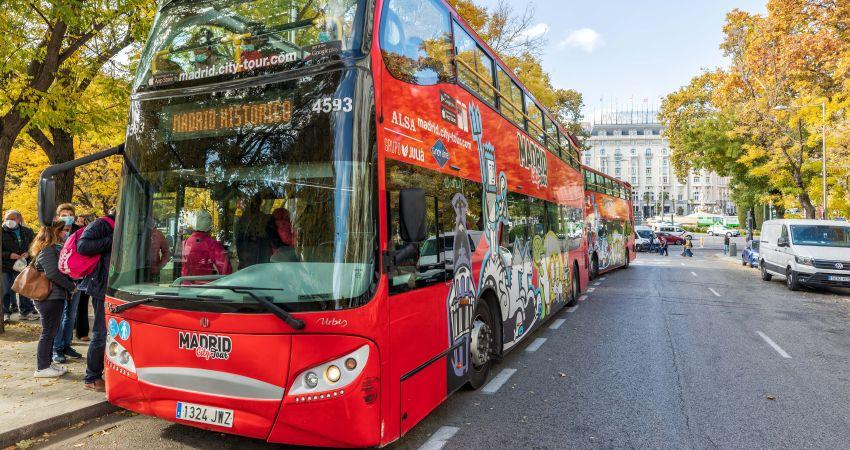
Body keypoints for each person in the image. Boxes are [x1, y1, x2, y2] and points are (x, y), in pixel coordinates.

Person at [30, 220, 77, 378]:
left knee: (51, 331)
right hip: (50, 297)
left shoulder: (49, 248)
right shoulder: (49, 249)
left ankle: (47, 363)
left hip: (53, 297)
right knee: (48, 332)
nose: (65, 233)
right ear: (55, 232)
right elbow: (52, 274)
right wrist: (71, 286)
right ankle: (42, 367)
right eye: (63, 230)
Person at [77, 210, 116, 392]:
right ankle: (92, 377)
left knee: (109, 334)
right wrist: (112, 239)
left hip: (116, 287)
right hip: (101, 287)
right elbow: (82, 246)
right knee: (100, 333)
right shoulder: (103, 224)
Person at [52, 204, 84, 363]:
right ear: (58, 217)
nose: (67, 217)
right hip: (59, 281)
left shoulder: (79, 231)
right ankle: (56, 349)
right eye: (64, 214)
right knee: (59, 315)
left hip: (76, 279)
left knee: (70, 315)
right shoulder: (53, 232)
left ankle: (66, 345)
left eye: (70, 214)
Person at [3, 210, 37, 322]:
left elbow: (34, 246)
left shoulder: (27, 231)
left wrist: (28, 253)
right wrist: (8, 255)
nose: (9, 221)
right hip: (5, 266)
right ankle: (5, 313)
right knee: (6, 290)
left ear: (19, 219)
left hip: (22, 265)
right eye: (7, 219)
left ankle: (25, 311)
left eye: (12, 219)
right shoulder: (2, 231)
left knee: (24, 288)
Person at [182, 210, 232, 278]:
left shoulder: (185, 243)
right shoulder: (213, 245)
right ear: (209, 227)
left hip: (185, 285)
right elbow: (226, 271)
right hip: (206, 286)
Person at [74, 215, 92, 341]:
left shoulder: (89, 232)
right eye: (78, 219)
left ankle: (82, 331)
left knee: (82, 302)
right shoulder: (69, 232)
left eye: (83, 220)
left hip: (84, 272)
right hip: (70, 272)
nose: (81, 222)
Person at [147, 218, 171, 282]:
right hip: (138, 269)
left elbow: (166, 252)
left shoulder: (158, 234)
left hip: (153, 271)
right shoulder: (138, 233)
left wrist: (159, 266)